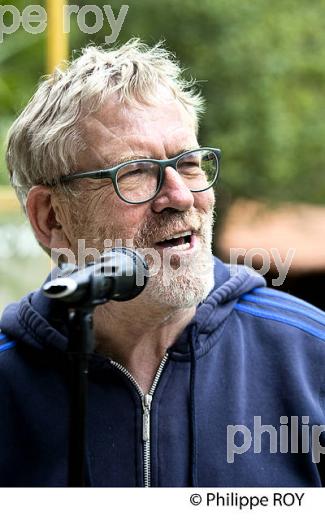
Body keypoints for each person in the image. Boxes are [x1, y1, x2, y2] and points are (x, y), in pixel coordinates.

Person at [1, 39, 325, 487]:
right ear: (52, 217)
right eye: (134, 172)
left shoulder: (312, 356)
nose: (180, 196)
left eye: (189, 164)